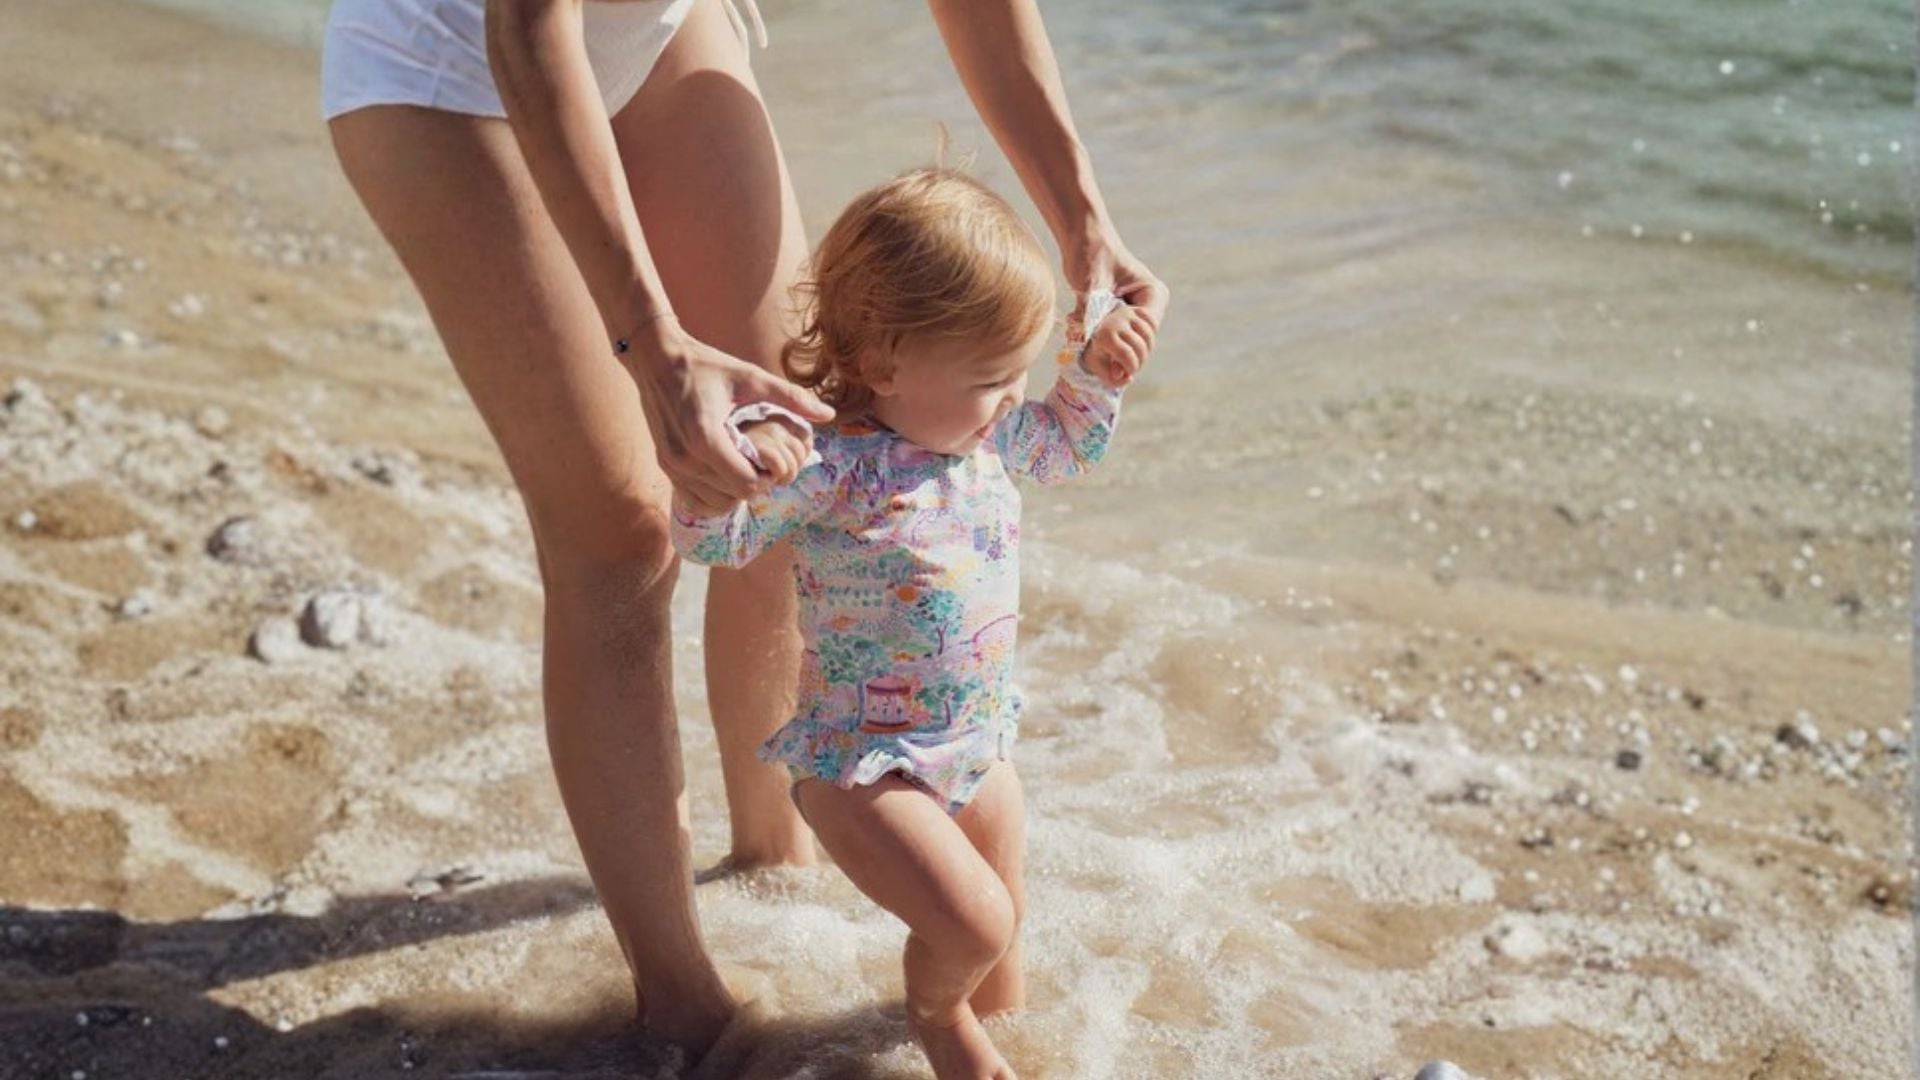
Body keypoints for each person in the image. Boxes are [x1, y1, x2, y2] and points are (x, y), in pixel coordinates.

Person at [319, 0, 1169, 1059]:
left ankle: (775, 872)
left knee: (779, 414)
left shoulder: (974, 442)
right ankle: (683, 1004)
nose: (1007, 399)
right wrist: (655, 350)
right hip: (459, 62)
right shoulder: (862, 463)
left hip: (651, 25)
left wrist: (1084, 224)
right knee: (625, 533)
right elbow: (530, 28)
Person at [669, 166, 1154, 1080]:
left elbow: (1068, 445)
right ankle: (932, 1018)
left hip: (976, 742)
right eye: (993, 378)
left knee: (1004, 976)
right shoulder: (828, 464)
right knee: (973, 927)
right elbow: (720, 545)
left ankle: (979, 1020)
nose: (1016, 397)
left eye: (1020, 375)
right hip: (862, 764)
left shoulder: (986, 434)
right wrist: (712, 477)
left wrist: (1098, 377)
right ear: (884, 363)